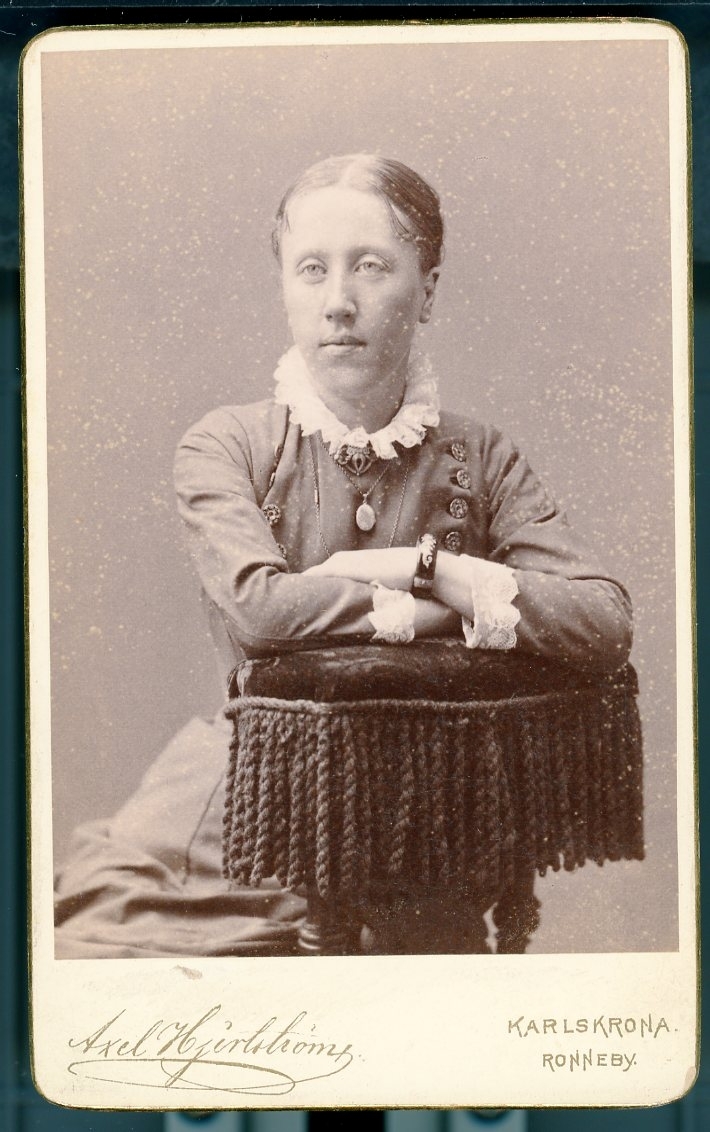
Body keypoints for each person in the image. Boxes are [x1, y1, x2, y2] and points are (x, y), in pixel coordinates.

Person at [54, 155, 633, 959]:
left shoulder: (481, 457)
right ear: (285, 289)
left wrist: (425, 572)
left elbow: (603, 622)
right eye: (312, 269)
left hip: (425, 839)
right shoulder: (227, 445)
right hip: (244, 831)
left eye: (371, 266)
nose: (338, 301)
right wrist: (456, 607)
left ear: (427, 291)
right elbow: (262, 613)